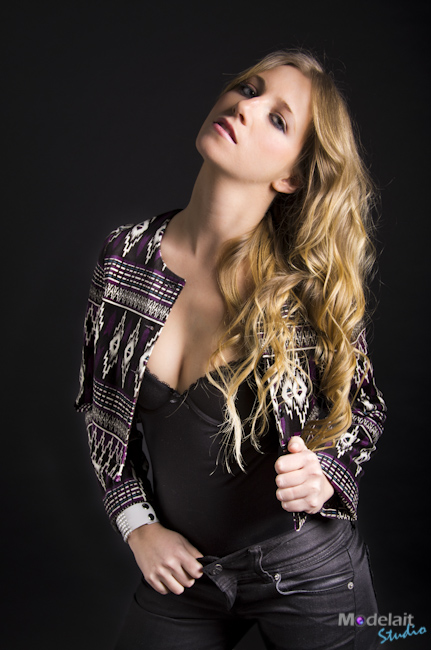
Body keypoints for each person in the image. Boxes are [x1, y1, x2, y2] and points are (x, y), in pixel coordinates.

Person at [75, 49, 386, 650]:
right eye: (249, 89)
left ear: (291, 177)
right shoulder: (124, 259)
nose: (246, 107)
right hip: (188, 576)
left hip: (309, 573)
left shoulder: (301, 289)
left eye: (278, 119)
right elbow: (100, 412)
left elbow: (365, 409)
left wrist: (327, 473)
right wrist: (138, 527)